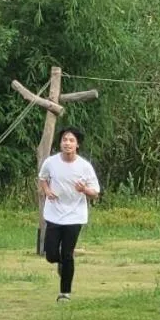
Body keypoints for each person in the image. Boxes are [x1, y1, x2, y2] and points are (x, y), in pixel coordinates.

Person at [38, 126, 100, 302]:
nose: (67, 143)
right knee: (51, 254)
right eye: (64, 140)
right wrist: (47, 191)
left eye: (71, 140)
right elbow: (42, 178)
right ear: (60, 143)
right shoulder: (51, 162)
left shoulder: (84, 166)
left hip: (75, 215)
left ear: (77, 145)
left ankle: (65, 293)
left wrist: (84, 189)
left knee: (67, 254)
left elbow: (95, 192)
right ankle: (60, 264)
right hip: (54, 213)